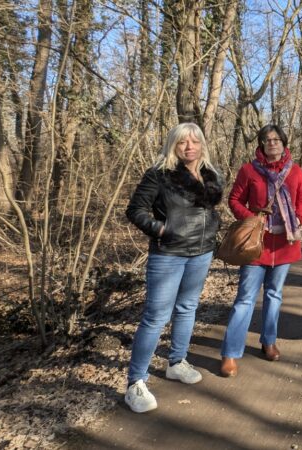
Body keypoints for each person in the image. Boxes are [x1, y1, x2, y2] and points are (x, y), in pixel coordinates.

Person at [124, 122, 223, 413]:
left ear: (202, 144)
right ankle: (135, 383)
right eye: (182, 142)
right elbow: (135, 210)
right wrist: (162, 230)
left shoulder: (210, 176)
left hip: (201, 253)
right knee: (156, 317)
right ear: (173, 146)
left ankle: (177, 362)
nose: (189, 147)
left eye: (194, 141)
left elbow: (209, 212)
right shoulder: (159, 175)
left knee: (188, 307)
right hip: (168, 254)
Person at [219, 125, 302, 377]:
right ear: (260, 144)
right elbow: (234, 200)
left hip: (285, 243)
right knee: (245, 299)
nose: (272, 143)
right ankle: (230, 353)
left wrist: (299, 218)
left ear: (283, 143)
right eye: (267, 140)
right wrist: (253, 219)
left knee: (274, 295)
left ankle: (268, 341)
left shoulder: (296, 171)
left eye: (276, 139)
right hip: (254, 245)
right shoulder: (249, 171)